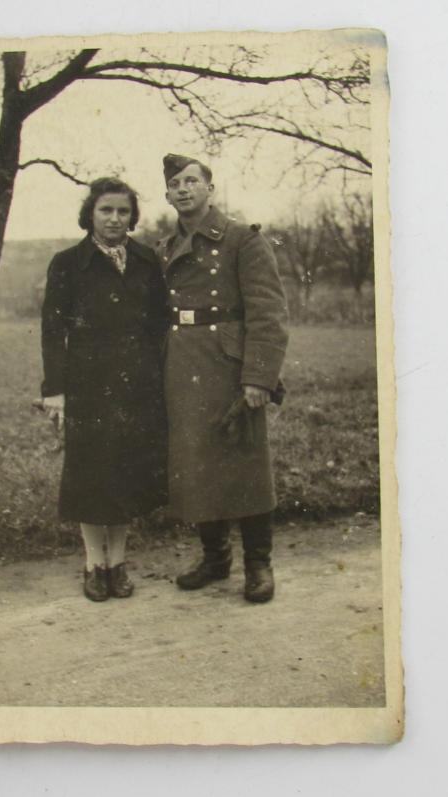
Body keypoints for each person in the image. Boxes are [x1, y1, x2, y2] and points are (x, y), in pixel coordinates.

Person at [157, 154, 289, 603]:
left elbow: (268, 312)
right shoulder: (165, 247)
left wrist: (259, 377)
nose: (184, 189)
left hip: (232, 366)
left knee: (247, 464)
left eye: (192, 180)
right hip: (182, 364)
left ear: (209, 188)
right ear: (168, 194)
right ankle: (215, 559)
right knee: (197, 465)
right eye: (175, 183)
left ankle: (259, 565)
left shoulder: (242, 239)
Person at [40, 177, 168, 602]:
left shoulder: (148, 261)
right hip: (88, 388)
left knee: (126, 474)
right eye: (106, 210)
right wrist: (55, 391)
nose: (115, 219)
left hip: (138, 388)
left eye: (123, 211)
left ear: (132, 217)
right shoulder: (67, 263)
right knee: (92, 476)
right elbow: (52, 330)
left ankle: (118, 563)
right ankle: (93, 564)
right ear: (90, 214)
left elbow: (158, 328)